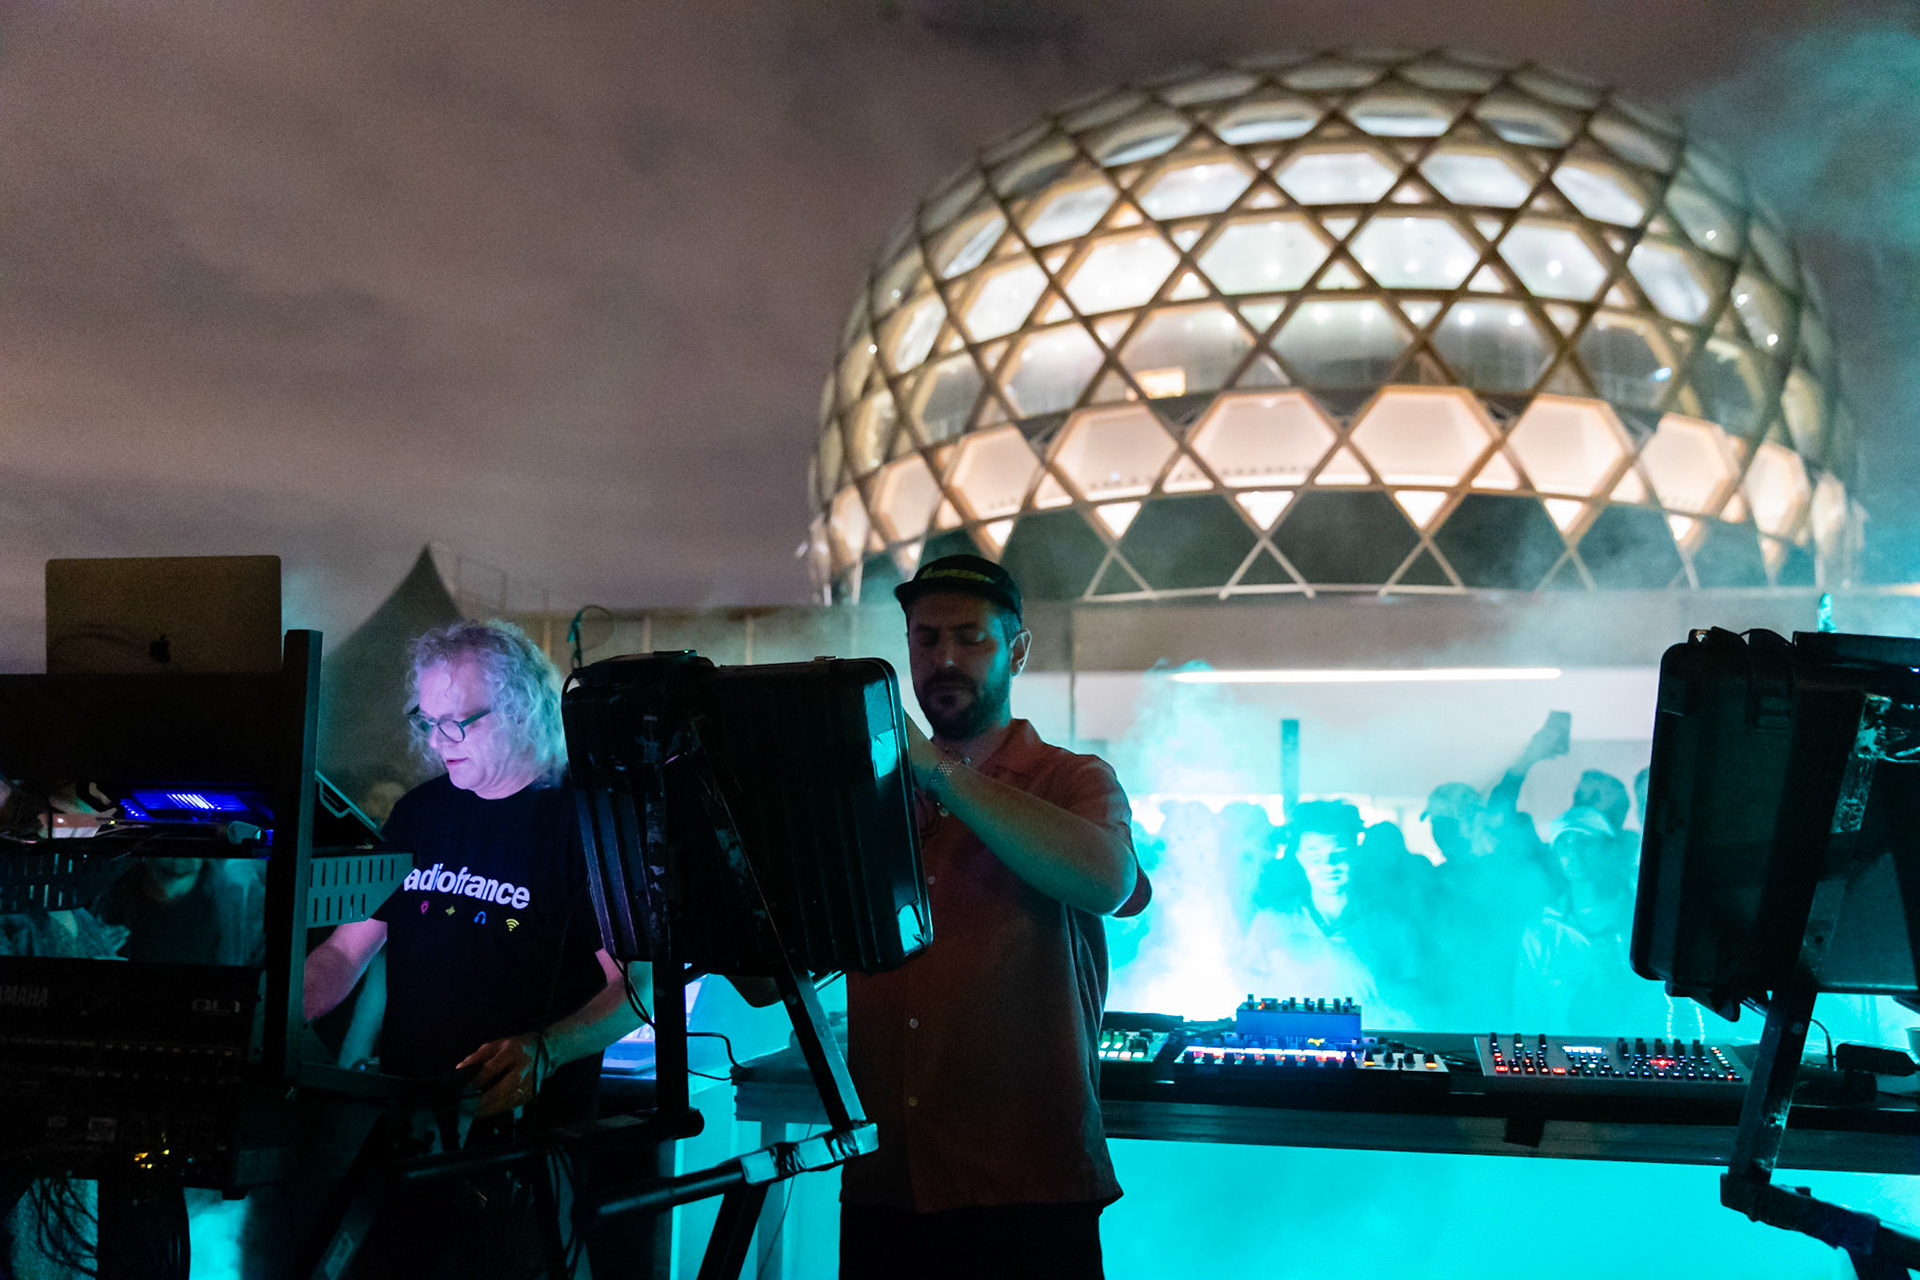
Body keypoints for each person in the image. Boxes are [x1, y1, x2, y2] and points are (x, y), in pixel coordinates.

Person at [299, 620, 644, 1277]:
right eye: (427, 722)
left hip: (528, 1152)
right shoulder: (421, 813)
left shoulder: (588, 821)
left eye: (458, 722)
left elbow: (637, 991)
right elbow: (345, 954)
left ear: (519, 709)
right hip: (413, 1132)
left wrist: (547, 1049)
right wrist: (270, 1014)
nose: (438, 741)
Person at [839, 555, 1149, 1280]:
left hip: (1027, 1190)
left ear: (1017, 650)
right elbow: (770, 980)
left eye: (971, 638)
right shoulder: (871, 800)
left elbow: (1107, 879)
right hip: (887, 1188)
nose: (944, 659)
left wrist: (933, 770)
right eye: (926, 640)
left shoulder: (1071, 777)